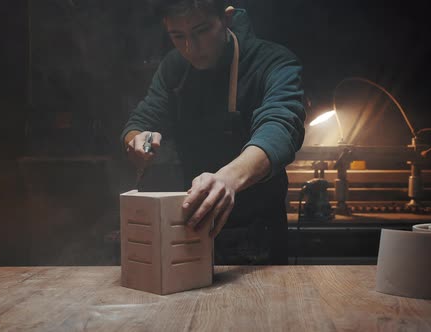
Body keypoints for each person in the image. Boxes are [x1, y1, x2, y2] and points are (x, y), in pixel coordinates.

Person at [121, 0, 305, 265]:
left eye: (202, 31)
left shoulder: (273, 61)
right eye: (178, 36)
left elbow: (280, 127)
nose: (191, 48)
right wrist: (140, 145)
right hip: (192, 226)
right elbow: (140, 122)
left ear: (227, 19)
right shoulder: (174, 67)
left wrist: (227, 180)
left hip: (257, 237)